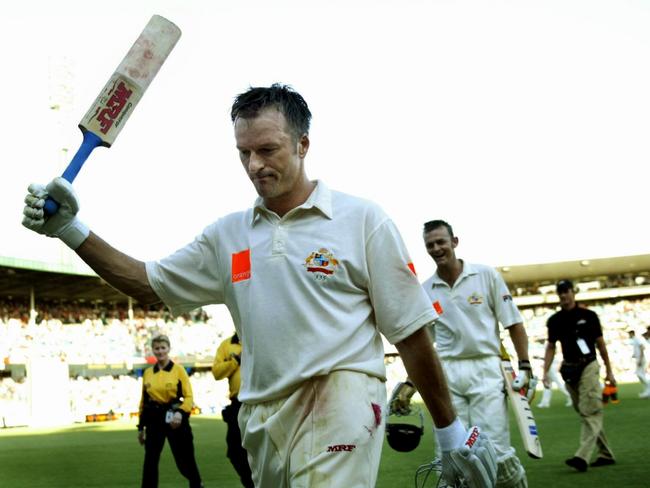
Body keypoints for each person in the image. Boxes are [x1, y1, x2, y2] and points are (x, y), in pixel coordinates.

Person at [22, 84, 497, 488]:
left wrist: (450, 429)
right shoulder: (226, 235)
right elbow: (148, 283)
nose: (254, 165)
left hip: (343, 399)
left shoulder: (363, 221)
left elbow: (410, 332)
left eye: (267, 149)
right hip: (261, 416)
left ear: (303, 144)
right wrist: (71, 230)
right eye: (243, 153)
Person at [419, 220, 531, 488]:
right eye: (430, 245)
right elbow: (423, 342)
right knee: (451, 456)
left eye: (441, 242)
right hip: (447, 373)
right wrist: (413, 384)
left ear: (454, 242)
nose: (436, 248)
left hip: (486, 369)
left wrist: (525, 366)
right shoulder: (426, 289)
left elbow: (514, 323)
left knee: (496, 452)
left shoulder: (485, 275)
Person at [543, 279, 616, 472]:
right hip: (569, 370)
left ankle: (581, 456)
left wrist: (609, 371)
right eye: (560, 293)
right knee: (586, 412)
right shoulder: (554, 320)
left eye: (566, 291)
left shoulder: (589, 316)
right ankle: (606, 453)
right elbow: (551, 347)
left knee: (589, 411)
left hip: (589, 365)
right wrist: (545, 372)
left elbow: (601, 345)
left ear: (573, 293)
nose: (563, 296)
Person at [137, 335, 203, 488]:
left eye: (163, 348)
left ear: (168, 349)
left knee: (184, 460)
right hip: (154, 419)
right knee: (150, 461)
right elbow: (144, 401)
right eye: (156, 348)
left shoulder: (178, 370)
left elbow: (189, 397)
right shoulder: (148, 373)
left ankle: (197, 484)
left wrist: (180, 412)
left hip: (176, 418)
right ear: (152, 350)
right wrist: (141, 427)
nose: (160, 351)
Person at [212, 332, 254, 487]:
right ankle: (250, 483)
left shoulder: (258, 337)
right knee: (235, 451)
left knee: (267, 447)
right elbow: (216, 373)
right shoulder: (226, 344)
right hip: (237, 404)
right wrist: (235, 360)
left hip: (261, 401)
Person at [628, 328, 650, 398]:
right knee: (640, 374)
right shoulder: (635, 340)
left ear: (632, 333)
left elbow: (642, 347)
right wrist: (634, 355)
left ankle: (648, 389)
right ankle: (647, 391)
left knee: (639, 374)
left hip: (641, 359)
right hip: (639, 358)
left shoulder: (637, 339)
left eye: (629, 334)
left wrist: (640, 358)